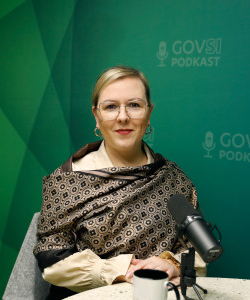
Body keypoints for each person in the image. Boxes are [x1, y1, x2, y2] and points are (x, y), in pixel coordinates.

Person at [33, 66, 206, 299]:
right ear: (96, 115)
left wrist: (173, 264)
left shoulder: (175, 181)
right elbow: (51, 258)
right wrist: (119, 271)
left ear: (149, 112)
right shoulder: (66, 180)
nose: (123, 116)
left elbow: (196, 250)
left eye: (134, 105)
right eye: (111, 106)